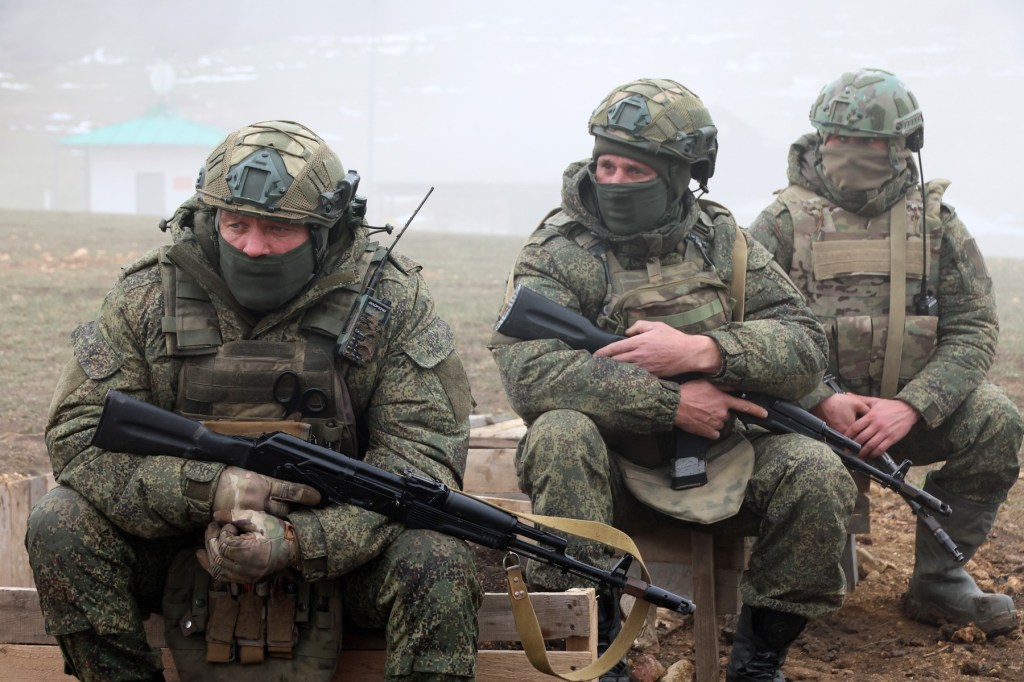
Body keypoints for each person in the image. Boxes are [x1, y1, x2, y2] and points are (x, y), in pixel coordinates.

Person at [25, 120, 482, 681]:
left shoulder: (390, 300)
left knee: (440, 558)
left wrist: (297, 542)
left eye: (278, 229)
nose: (253, 247)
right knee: (59, 523)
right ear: (211, 213)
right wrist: (209, 490)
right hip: (179, 547)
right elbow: (81, 436)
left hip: (343, 558)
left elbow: (420, 463)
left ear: (323, 229)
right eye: (236, 224)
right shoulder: (146, 294)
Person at [489, 78, 858, 682]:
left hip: (723, 451)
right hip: (609, 463)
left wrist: (705, 350)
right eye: (605, 165)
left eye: (634, 170)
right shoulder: (558, 249)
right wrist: (671, 403)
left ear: (682, 173)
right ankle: (595, 650)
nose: (613, 181)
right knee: (558, 436)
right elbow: (530, 372)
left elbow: (804, 344)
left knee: (817, 471)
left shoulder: (722, 239)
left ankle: (759, 659)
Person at [747, 68, 1023, 637]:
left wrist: (912, 405)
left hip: (904, 416)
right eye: (836, 137)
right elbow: (749, 330)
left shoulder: (937, 226)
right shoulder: (778, 224)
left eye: (866, 141)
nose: (847, 150)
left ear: (903, 146)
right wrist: (820, 399)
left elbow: (973, 329)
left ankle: (939, 580)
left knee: (996, 419)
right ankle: (782, 597)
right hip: (807, 418)